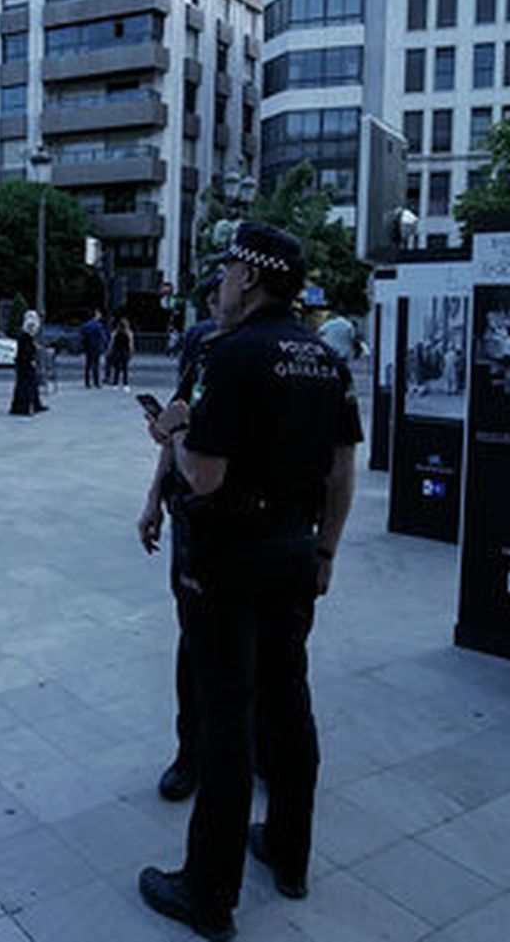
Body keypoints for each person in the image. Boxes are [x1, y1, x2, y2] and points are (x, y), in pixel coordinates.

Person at [138, 221, 361, 939]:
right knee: (289, 707)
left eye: (230, 268)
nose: (223, 280)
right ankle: (289, 852)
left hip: (229, 557)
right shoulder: (325, 358)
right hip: (296, 553)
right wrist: (325, 551)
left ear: (252, 278)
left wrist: (171, 430)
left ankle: (208, 891)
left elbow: (204, 472)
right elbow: (340, 469)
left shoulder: (233, 355)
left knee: (227, 720)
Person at [138, 271, 223, 805]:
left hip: (235, 523)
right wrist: (153, 498)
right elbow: (173, 430)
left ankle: (233, 749)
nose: (214, 306)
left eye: (223, 290)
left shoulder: (251, 357)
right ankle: (189, 752)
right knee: (193, 641)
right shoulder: (202, 348)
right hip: (191, 517)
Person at [10, 310, 46, 416]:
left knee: (30, 384)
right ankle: (23, 407)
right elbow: (26, 351)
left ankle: (34, 404)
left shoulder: (25, 336)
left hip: (24, 363)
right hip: (25, 364)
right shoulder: (25, 336)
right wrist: (32, 357)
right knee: (26, 385)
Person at [80, 309, 107, 389]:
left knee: (88, 365)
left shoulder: (86, 325)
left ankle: (87, 382)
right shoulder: (98, 325)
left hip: (88, 346)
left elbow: (82, 334)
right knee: (96, 365)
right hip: (97, 346)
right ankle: (96, 382)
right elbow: (103, 337)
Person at [107, 316, 135, 389]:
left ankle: (115, 383)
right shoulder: (129, 333)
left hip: (117, 351)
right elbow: (131, 344)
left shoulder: (115, 333)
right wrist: (131, 352)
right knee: (125, 369)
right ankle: (125, 383)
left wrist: (109, 351)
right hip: (125, 351)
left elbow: (111, 343)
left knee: (117, 368)